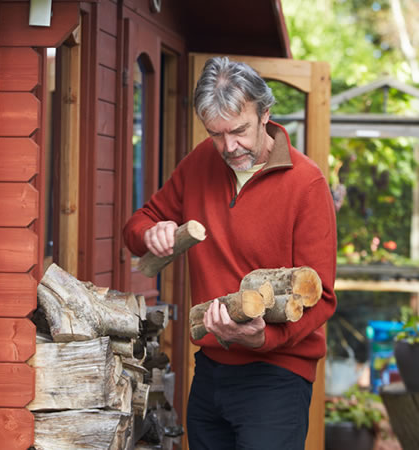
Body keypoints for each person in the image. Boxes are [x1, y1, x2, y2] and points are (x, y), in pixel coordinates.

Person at [123, 57, 337, 449]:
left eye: (239, 131)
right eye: (216, 134)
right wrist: (151, 232)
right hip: (209, 370)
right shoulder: (200, 161)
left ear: (265, 114)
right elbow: (138, 225)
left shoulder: (307, 184)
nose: (229, 147)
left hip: (278, 377)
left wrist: (263, 339)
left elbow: (322, 299)